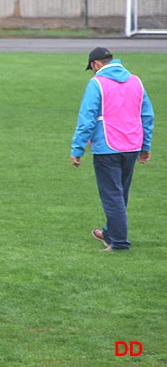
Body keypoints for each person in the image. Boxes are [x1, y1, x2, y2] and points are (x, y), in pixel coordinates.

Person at [71, 47, 154, 252]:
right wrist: (146, 145)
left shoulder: (96, 83)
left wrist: (77, 148)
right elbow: (147, 115)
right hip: (132, 145)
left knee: (112, 195)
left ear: (96, 64)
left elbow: (87, 119)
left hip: (107, 146)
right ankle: (110, 233)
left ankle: (118, 242)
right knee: (120, 193)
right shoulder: (136, 81)